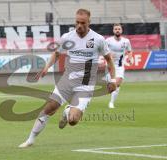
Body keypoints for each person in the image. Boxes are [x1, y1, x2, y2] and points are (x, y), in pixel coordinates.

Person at [18, 9, 116, 148]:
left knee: (73, 120)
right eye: (77, 22)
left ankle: (67, 112)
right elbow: (56, 54)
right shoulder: (67, 37)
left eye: (83, 23)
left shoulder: (98, 39)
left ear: (89, 22)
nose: (79, 25)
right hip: (67, 81)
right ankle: (30, 139)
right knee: (49, 108)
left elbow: (109, 60)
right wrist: (46, 67)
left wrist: (112, 79)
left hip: (85, 85)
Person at [106, 24, 133, 109]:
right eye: (116, 29)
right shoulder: (108, 41)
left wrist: (129, 58)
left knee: (118, 83)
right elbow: (103, 51)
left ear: (121, 31)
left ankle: (111, 102)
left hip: (120, 66)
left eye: (119, 29)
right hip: (110, 66)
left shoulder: (126, 41)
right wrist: (109, 55)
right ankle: (109, 86)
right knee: (113, 85)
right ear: (113, 31)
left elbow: (129, 51)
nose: (117, 30)